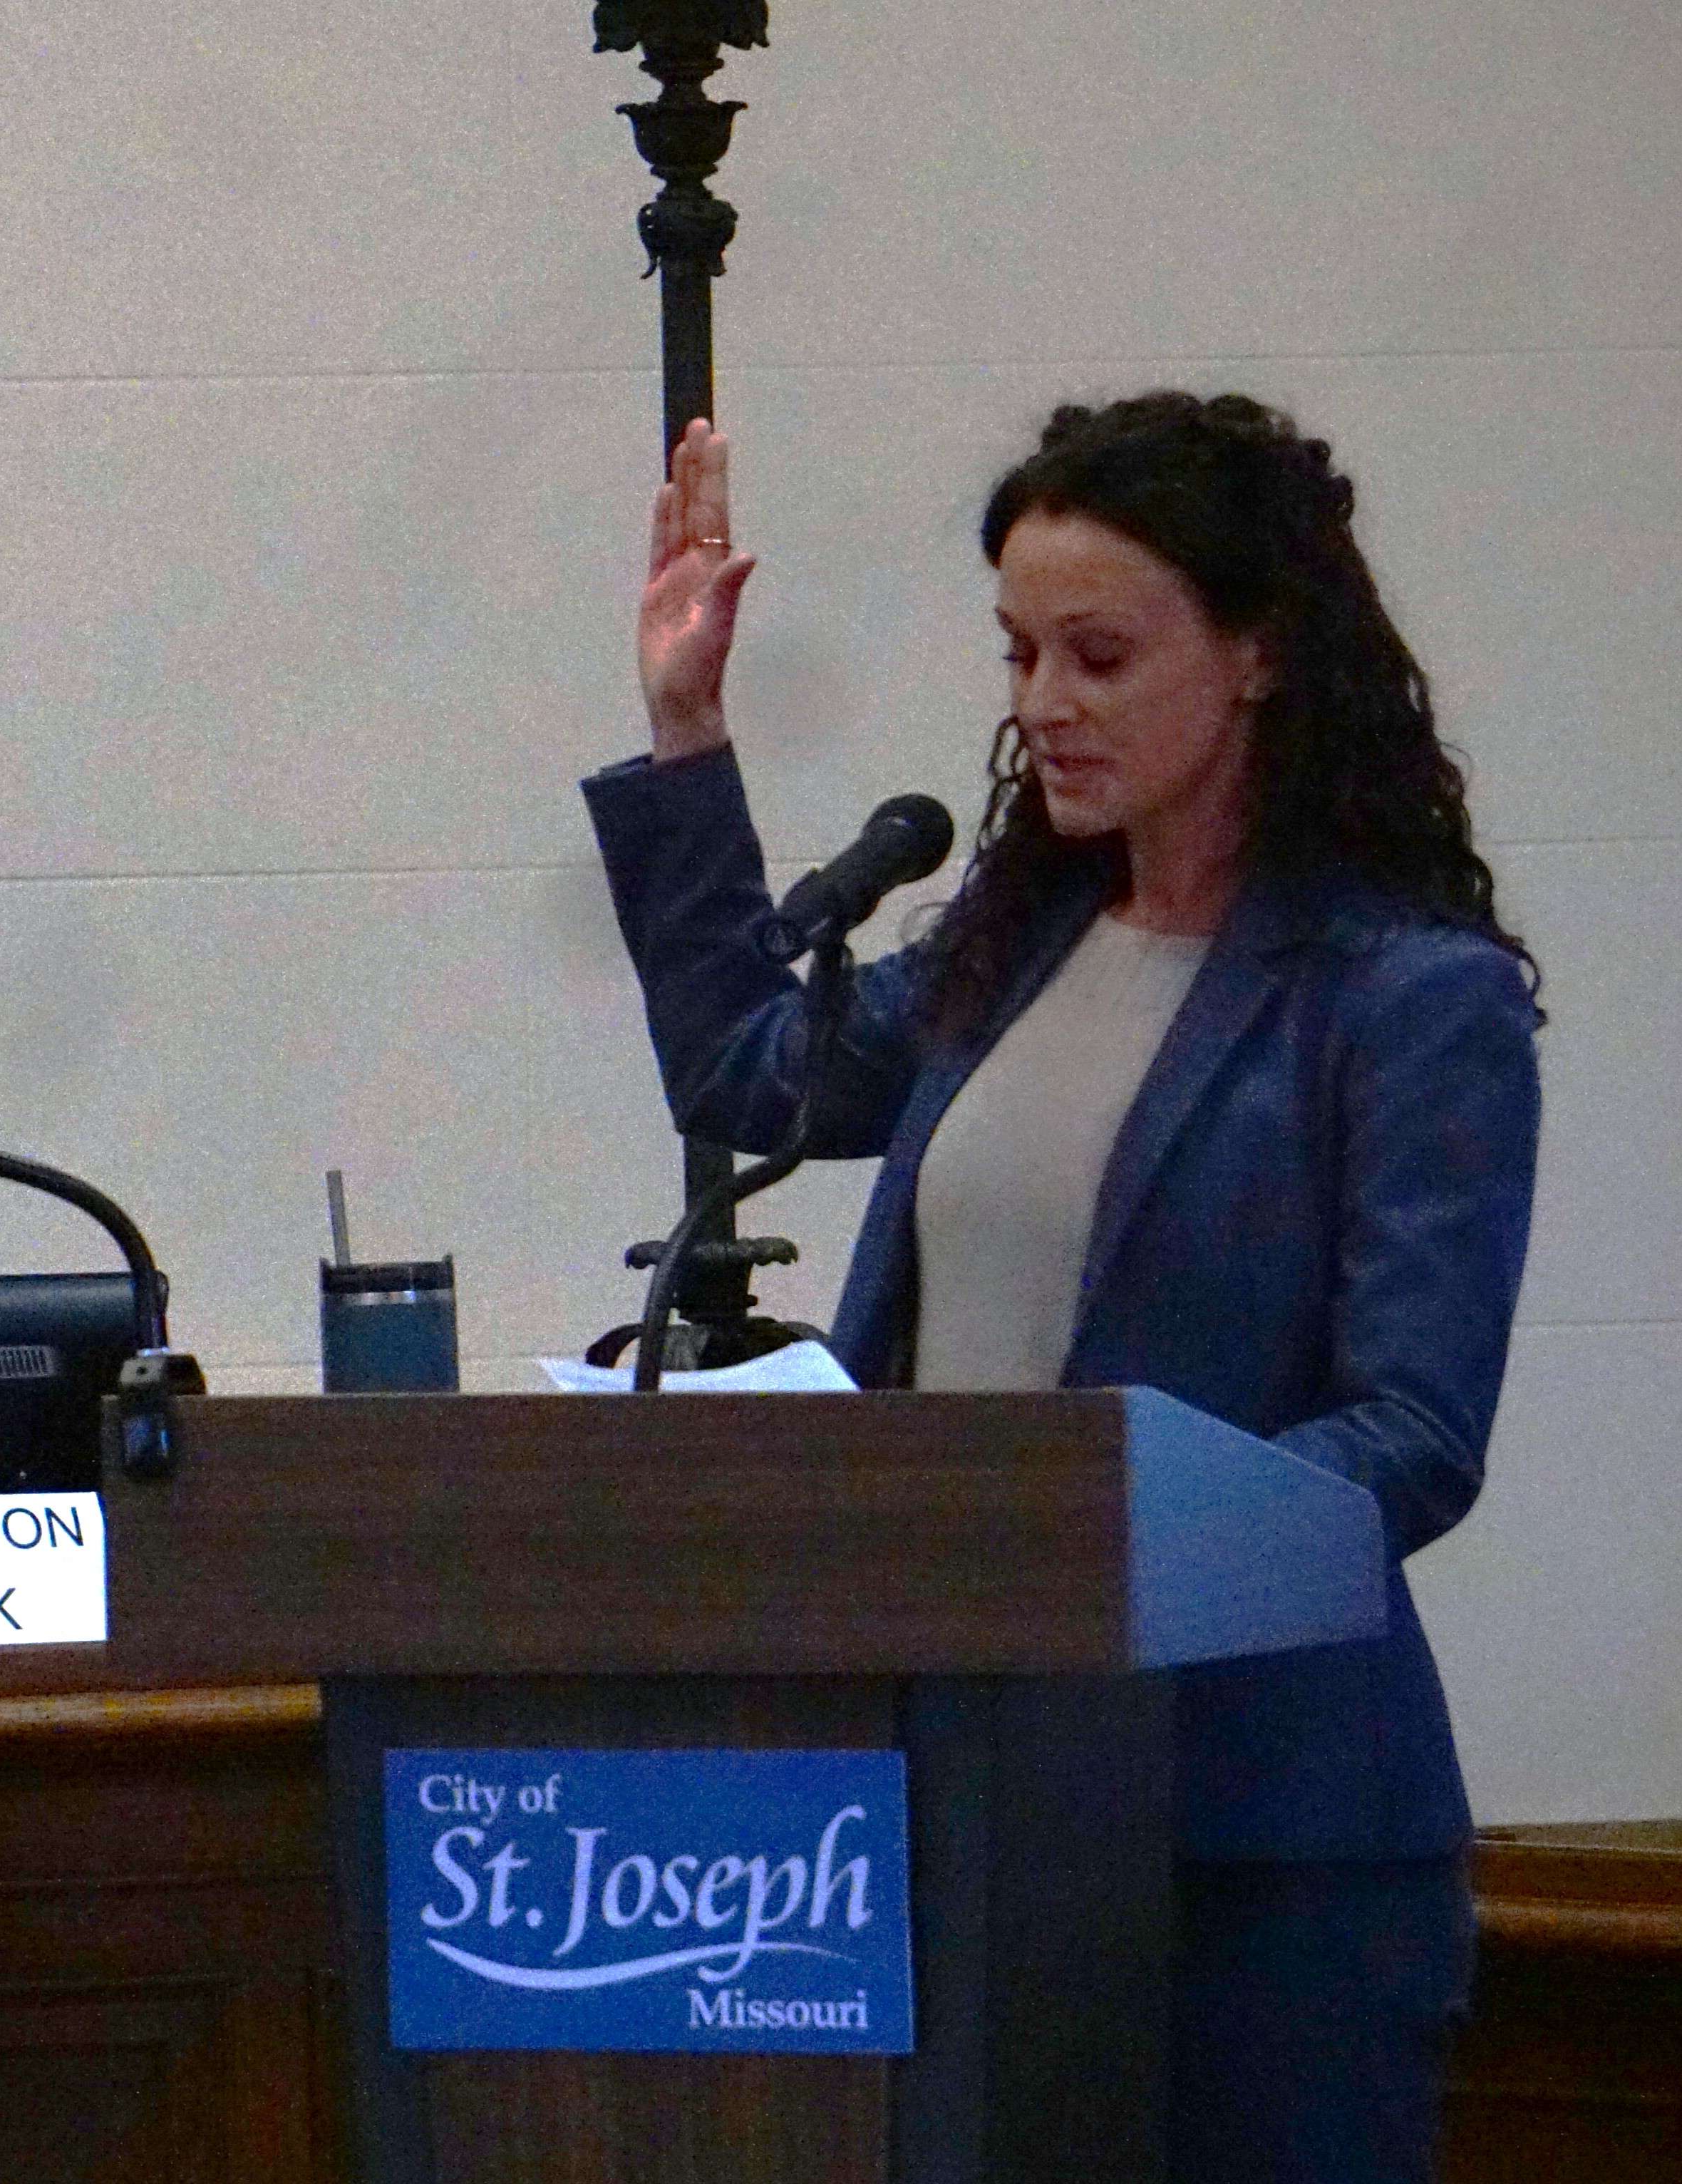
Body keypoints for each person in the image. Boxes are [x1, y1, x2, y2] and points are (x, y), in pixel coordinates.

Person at [584, 396, 1539, 2181]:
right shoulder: (1015, 942)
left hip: (1266, 1837)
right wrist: (686, 730)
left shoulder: (1410, 997)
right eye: (1021, 652)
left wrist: (1075, 1540)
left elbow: (1413, 1433)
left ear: (1258, 652)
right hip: (967, 1790)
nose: (1044, 703)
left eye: (1101, 653)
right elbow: (745, 1072)